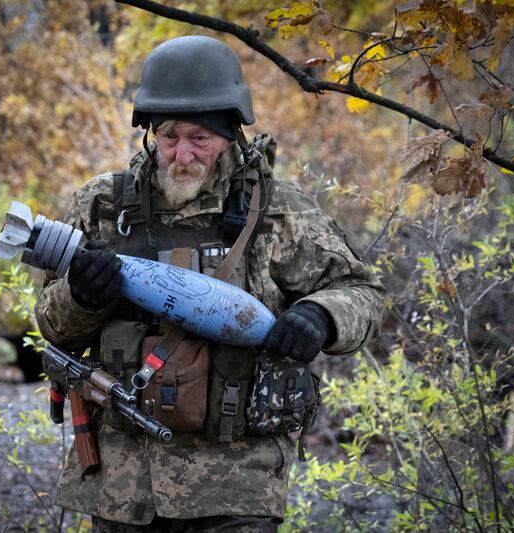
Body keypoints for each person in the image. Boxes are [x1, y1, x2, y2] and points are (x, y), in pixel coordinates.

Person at [34, 35, 385, 532]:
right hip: (123, 482)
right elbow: (50, 324)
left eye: (200, 137)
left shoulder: (276, 212)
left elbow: (364, 294)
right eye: (171, 136)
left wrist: (321, 317)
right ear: (150, 131)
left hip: (236, 480)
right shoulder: (102, 206)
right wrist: (80, 297)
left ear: (231, 134)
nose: (182, 154)